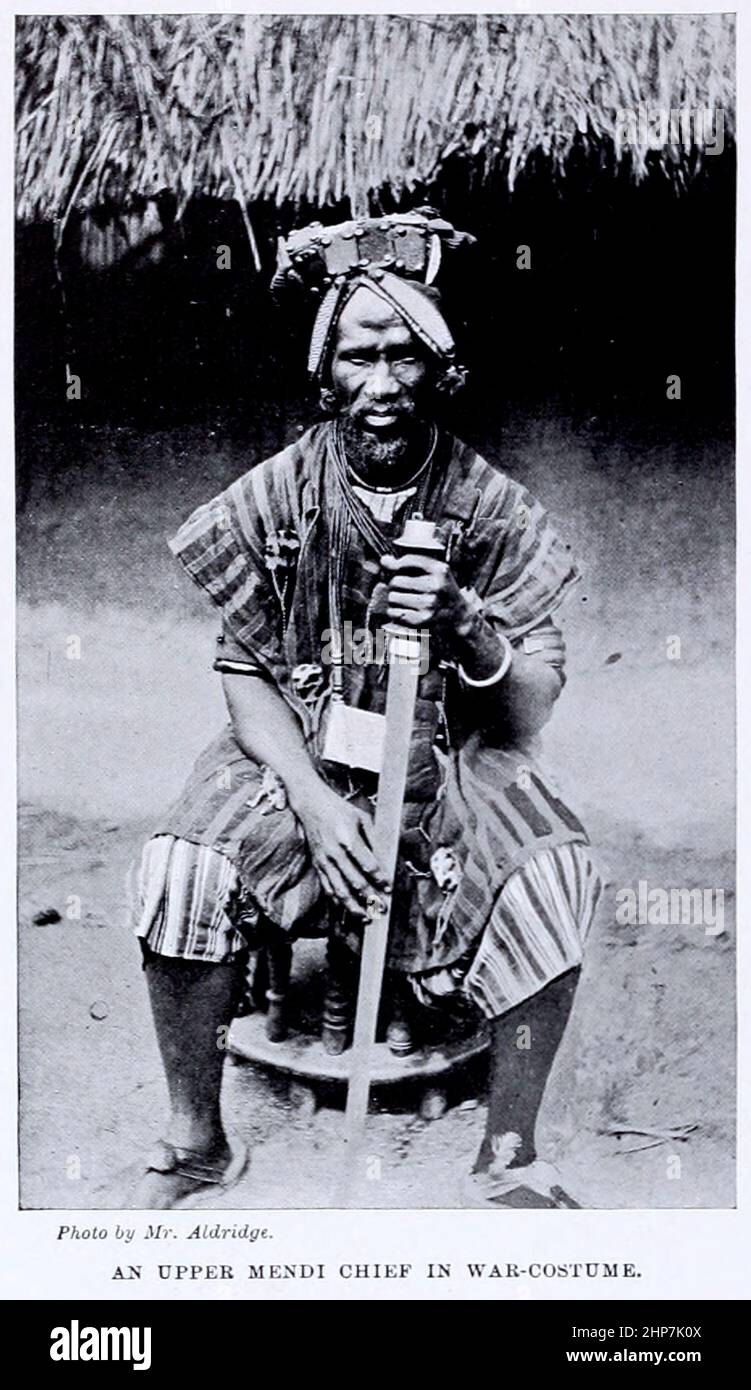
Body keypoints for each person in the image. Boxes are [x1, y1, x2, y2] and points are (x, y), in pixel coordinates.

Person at [130, 209, 601, 1209]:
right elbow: (242, 668)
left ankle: (509, 1155)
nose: (382, 382)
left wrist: (467, 622)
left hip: (455, 764)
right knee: (178, 867)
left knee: (557, 871)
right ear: (325, 371)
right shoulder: (281, 494)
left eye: (404, 355)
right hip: (299, 754)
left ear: (441, 370)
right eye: (359, 356)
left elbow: (531, 704)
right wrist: (306, 794)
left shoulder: (493, 507)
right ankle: (197, 1139)